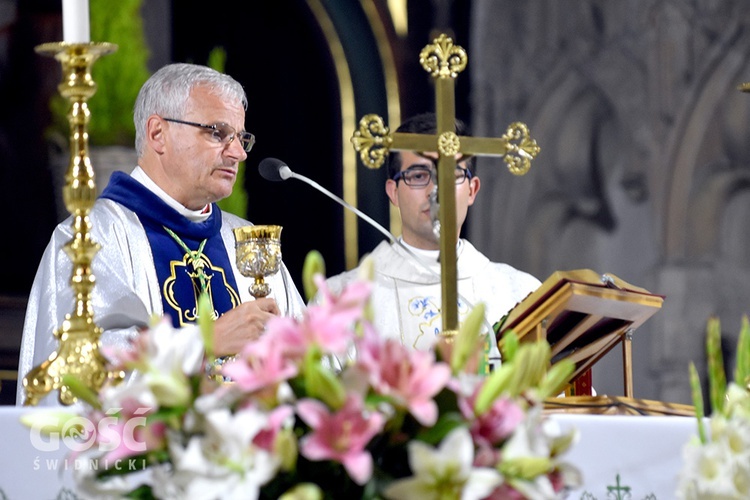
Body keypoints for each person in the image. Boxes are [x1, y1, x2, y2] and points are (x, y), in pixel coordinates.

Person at [17, 63, 305, 405]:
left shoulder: (246, 240)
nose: (238, 153)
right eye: (217, 132)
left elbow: (311, 364)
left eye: (241, 138)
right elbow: (82, 378)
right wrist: (205, 342)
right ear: (157, 134)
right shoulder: (91, 239)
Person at [325, 113, 540, 355]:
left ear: (472, 190)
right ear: (393, 192)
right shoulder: (340, 302)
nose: (436, 191)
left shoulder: (522, 296)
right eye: (418, 176)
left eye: (450, 174)